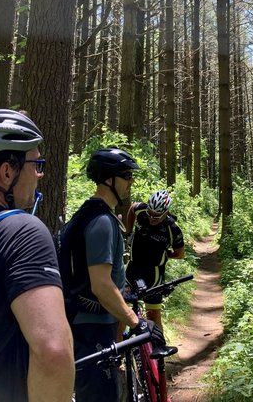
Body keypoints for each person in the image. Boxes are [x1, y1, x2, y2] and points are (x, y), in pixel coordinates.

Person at [0, 109, 74, 402]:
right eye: (35, 163)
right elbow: (53, 353)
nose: (40, 173)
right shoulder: (22, 232)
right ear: (6, 171)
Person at [72, 147, 165, 402]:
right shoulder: (102, 221)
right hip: (94, 329)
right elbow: (101, 285)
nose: (131, 181)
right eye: (126, 174)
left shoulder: (88, 214)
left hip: (89, 324)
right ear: (108, 179)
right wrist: (137, 322)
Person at [126, 189, 185, 331]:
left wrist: (164, 254)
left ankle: (159, 349)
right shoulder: (142, 210)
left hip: (154, 274)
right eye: (150, 214)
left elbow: (180, 254)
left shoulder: (172, 229)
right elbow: (132, 207)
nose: (152, 218)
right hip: (133, 267)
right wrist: (128, 232)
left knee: (153, 315)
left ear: (166, 212)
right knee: (122, 311)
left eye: (157, 216)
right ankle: (120, 351)